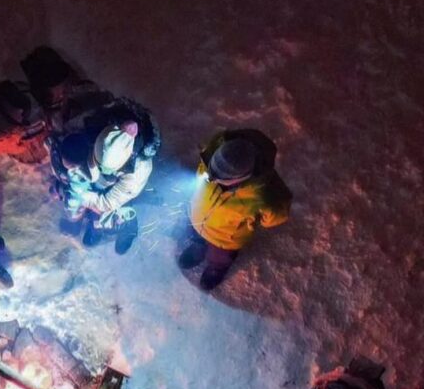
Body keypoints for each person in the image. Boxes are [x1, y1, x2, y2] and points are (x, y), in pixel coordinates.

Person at [177, 128, 292, 290]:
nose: (210, 179)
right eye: (211, 171)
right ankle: (198, 246)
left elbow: (276, 216)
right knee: (196, 235)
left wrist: (266, 211)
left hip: (225, 239)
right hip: (197, 218)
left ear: (240, 178)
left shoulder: (261, 196)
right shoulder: (212, 155)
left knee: (219, 255)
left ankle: (217, 266)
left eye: (219, 178)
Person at [49, 98, 160, 253]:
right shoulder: (94, 122)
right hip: (99, 165)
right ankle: (93, 219)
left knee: (110, 211)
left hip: (119, 188)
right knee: (89, 187)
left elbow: (107, 202)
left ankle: (127, 225)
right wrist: (63, 179)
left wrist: (82, 198)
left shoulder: (138, 170)